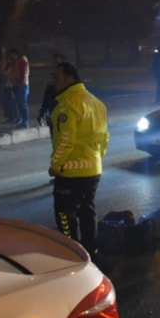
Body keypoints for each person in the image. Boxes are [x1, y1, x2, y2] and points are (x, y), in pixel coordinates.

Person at [48, 62, 109, 259]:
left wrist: (56, 165)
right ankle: (92, 251)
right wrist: (96, 159)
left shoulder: (67, 105)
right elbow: (104, 137)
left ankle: (71, 254)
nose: (54, 82)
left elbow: (66, 140)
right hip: (93, 170)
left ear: (69, 79)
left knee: (65, 214)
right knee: (87, 211)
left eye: (57, 78)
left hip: (71, 172)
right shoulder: (97, 103)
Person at [37, 53, 67, 132]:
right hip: (53, 101)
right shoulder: (51, 87)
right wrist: (42, 113)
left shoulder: (66, 71)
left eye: (58, 59)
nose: (56, 61)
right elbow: (46, 101)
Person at [8, 48, 30, 129]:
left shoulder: (22, 61)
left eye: (11, 55)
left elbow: (23, 74)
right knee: (20, 104)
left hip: (21, 85)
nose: (10, 56)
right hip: (16, 85)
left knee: (22, 104)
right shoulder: (15, 62)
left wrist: (19, 83)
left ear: (15, 54)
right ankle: (22, 120)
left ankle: (25, 121)